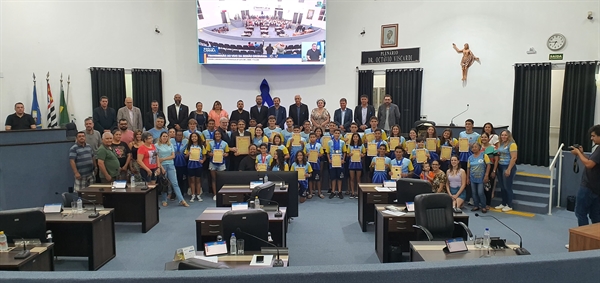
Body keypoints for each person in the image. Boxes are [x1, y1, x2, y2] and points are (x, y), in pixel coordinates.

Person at [570, 124, 600, 226]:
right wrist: (582, 153)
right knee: (595, 215)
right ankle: (595, 238)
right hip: (596, 188)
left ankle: (584, 238)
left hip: (589, 187)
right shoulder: (598, 149)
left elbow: (589, 164)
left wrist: (578, 153)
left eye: (593, 136)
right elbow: (592, 161)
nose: (591, 138)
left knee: (580, 213)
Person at [156, 132, 189, 207]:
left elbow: (173, 156)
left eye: (166, 136)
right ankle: (164, 200)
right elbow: (157, 159)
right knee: (164, 183)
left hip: (171, 165)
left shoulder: (170, 145)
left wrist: (163, 159)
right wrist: (160, 167)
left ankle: (181, 200)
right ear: (160, 137)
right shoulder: (156, 146)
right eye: (163, 136)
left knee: (175, 183)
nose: (165, 137)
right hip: (162, 166)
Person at [495, 130, 518, 212]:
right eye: (502, 135)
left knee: (507, 187)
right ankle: (503, 203)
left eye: (505, 135)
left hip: (508, 166)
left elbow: (514, 158)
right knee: (502, 187)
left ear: (508, 136)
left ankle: (509, 204)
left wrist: (508, 169)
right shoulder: (501, 144)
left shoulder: (512, 145)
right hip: (500, 166)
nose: (503, 137)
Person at [467, 143, 491, 213]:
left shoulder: (484, 155)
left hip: (481, 178)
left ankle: (483, 206)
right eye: (472, 147)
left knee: (480, 192)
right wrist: (467, 178)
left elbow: (488, 165)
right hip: (472, 178)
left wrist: (486, 175)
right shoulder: (470, 157)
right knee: (474, 193)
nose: (474, 148)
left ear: (479, 148)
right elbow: (468, 168)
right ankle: (476, 205)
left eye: (475, 147)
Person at [207, 130, 229, 200]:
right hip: (213, 163)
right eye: (216, 134)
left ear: (221, 135)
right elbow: (208, 152)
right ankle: (215, 194)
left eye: (218, 134)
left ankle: (222, 193)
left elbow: (227, 153)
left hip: (221, 163)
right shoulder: (210, 143)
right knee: (214, 179)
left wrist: (225, 154)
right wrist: (210, 154)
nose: (217, 135)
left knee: (221, 179)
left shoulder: (225, 143)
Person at [184, 132, 205, 202]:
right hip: (191, 165)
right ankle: (193, 194)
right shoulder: (188, 146)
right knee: (192, 180)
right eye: (192, 137)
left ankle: (198, 194)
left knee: (198, 180)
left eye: (195, 136)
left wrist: (203, 160)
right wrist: (188, 154)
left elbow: (204, 156)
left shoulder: (201, 146)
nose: (194, 138)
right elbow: (185, 156)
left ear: (198, 137)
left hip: (198, 165)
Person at [480, 132, 498, 209]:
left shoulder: (493, 147)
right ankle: (481, 202)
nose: (484, 138)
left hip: (490, 168)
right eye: (482, 137)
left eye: (485, 137)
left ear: (488, 138)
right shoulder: (478, 147)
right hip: (480, 169)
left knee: (488, 187)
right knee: (481, 187)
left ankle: (488, 203)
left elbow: (496, 160)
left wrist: (494, 171)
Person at [306, 132, 324, 198]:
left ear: (316, 138)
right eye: (311, 137)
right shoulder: (306, 145)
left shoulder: (319, 145)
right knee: (310, 179)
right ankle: (311, 192)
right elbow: (304, 153)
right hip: (309, 164)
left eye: (314, 137)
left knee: (318, 179)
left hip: (317, 164)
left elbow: (322, 153)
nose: (312, 138)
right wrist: (306, 154)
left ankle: (319, 192)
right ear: (309, 138)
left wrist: (319, 155)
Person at [347, 133, 365, 198]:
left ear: (358, 138)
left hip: (359, 163)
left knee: (358, 178)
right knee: (352, 178)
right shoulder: (350, 146)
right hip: (352, 163)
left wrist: (362, 155)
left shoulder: (361, 146)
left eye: (356, 137)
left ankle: (358, 192)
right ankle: (352, 192)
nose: (355, 138)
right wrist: (349, 155)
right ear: (352, 138)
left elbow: (364, 153)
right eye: (354, 137)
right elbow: (347, 154)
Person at [172, 130, 188, 199]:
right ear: (175, 135)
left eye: (180, 135)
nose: (179, 136)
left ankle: (182, 193)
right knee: (174, 180)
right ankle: (174, 193)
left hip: (182, 163)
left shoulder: (185, 142)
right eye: (177, 135)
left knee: (181, 179)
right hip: (173, 163)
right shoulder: (171, 141)